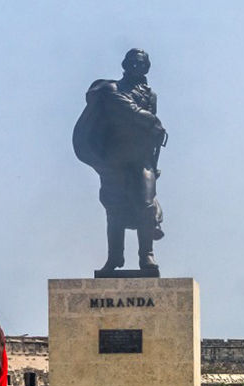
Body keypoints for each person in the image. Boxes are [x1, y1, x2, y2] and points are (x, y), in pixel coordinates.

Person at [73, 48, 167, 273]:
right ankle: (114, 259)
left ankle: (147, 256)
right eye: (133, 63)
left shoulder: (150, 96)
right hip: (115, 159)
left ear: (146, 68)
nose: (136, 67)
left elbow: (151, 132)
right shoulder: (111, 89)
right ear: (125, 65)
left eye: (141, 64)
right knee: (114, 210)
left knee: (146, 205)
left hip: (142, 159)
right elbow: (124, 108)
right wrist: (150, 119)